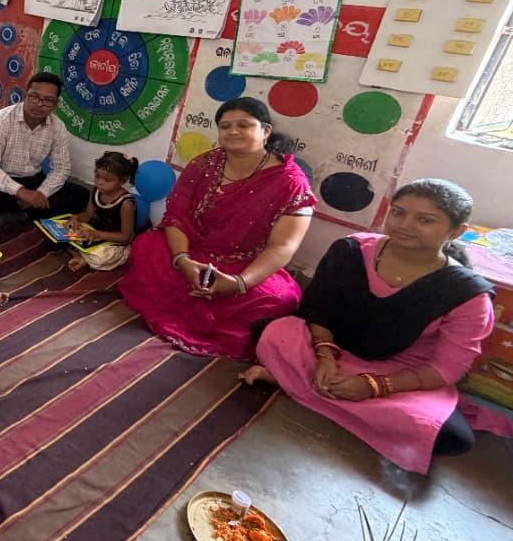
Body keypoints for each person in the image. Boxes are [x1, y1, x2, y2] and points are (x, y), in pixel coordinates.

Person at [244, 180, 496, 474]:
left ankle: (295, 383)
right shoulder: (351, 250)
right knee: (272, 330)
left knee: (452, 437)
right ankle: (319, 388)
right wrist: (325, 355)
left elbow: (444, 370)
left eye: (425, 220)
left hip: (402, 372)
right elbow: (319, 310)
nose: (405, 225)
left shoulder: (467, 295)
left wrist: (375, 386)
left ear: (456, 231)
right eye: (398, 212)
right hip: (335, 349)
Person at [120, 98, 315, 359]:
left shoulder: (291, 182)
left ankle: (206, 299)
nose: (233, 131)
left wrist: (239, 284)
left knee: (280, 301)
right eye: (225, 126)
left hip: (244, 265)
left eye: (243, 125)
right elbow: (176, 216)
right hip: (192, 252)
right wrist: (182, 260)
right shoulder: (203, 164)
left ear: (266, 131)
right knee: (147, 245)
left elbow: (282, 247)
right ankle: (191, 287)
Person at [0, 73, 88, 220]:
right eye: (35, 97)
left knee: (81, 194)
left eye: (48, 100)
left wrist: (41, 193)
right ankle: (27, 212)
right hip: (2, 179)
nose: (40, 104)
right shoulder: (2, 120)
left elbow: (61, 169)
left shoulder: (57, 126)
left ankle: (21, 215)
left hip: (33, 180)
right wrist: (22, 192)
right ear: (26, 95)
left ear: (55, 104)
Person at [66, 152, 139, 273]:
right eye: (97, 176)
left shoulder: (126, 204)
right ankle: (83, 255)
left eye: (107, 180)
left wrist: (96, 234)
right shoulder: (96, 190)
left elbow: (125, 237)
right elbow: (88, 215)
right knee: (67, 233)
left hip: (114, 242)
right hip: (95, 234)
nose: (99, 182)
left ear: (122, 180)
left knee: (102, 257)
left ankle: (84, 259)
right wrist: (75, 218)